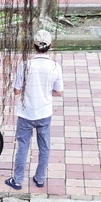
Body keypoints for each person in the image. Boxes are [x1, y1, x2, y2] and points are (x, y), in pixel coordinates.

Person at [5, 29, 64, 192]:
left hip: (26, 113)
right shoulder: (55, 67)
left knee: (23, 147)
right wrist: (46, 92)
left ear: (33, 46)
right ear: (50, 46)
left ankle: (17, 180)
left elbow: (16, 91)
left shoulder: (25, 66)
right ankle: (39, 179)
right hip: (45, 113)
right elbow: (59, 92)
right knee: (44, 147)